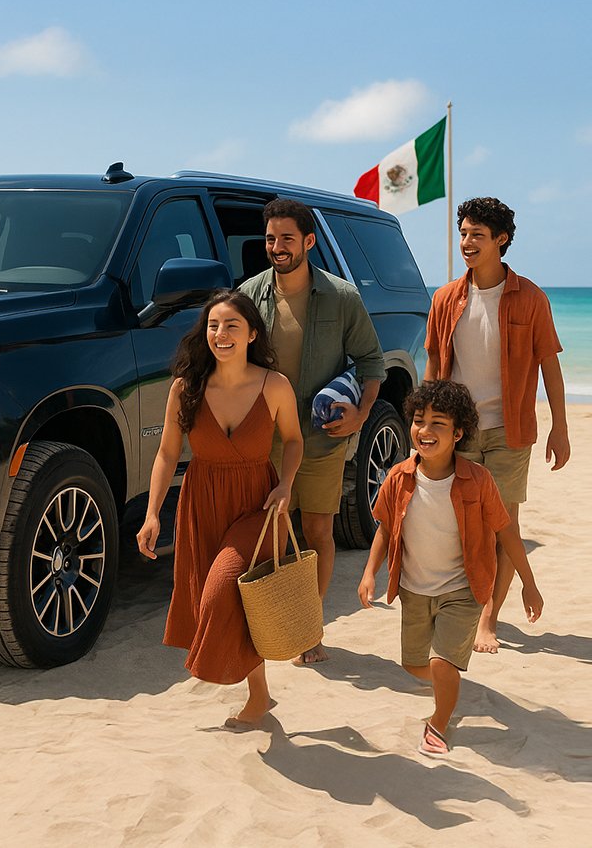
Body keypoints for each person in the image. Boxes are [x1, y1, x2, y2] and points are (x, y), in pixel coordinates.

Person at [137, 290, 303, 729]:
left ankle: (242, 684)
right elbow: (166, 454)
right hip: (202, 504)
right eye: (213, 325)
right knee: (240, 601)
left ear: (252, 334)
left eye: (232, 325)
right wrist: (152, 514)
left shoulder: (274, 385)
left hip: (258, 507)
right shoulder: (185, 388)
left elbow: (293, 440)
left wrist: (286, 484)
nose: (221, 333)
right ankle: (260, 695)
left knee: (221, 590)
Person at [356, 380, 544, 757]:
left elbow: (506, 531)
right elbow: (386, 528)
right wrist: (369, 573)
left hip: (463, 588)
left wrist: (529, 583)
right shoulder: (397, 477)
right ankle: (449, 680)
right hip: (413, 588)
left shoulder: (478, 480)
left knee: (441, 661)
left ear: (458, 434)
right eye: (419, 421)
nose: (425, 430)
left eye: (438, 423)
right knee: (414, 665)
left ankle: (438, 724)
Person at [239, 198, 386, 664]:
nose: (277, 247)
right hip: (266, 441)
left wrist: (361, 415)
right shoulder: (249, 296)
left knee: (318, 530)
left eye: (287, 238)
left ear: (309, 241)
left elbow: (372, 362)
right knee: (273, 535)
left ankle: (309, 629)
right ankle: (276, 627)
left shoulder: (342, 297)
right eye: (270, 238)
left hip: (322, 439)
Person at [423, 196, 569, 654]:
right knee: (466, 524)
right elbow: (434, 363)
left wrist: (560, 427)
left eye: (477, 235)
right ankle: (464, 604)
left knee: (504, 523)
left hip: (511, 428)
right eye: (463, 233)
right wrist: (424, 421)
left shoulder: (531, 297)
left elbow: (550, 365)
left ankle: (489, 617)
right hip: (458, 429)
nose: (467, 242)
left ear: (501, 240)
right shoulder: (445, 298)